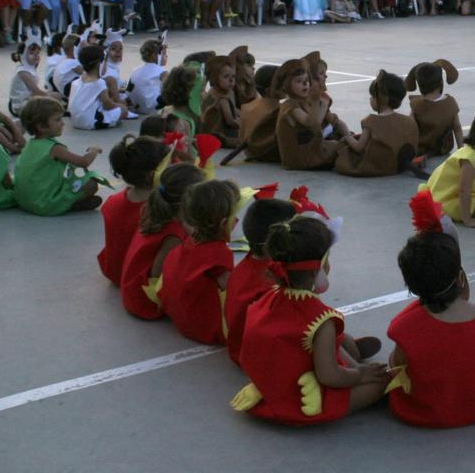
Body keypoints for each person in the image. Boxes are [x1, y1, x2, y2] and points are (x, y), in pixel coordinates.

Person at [232, 214, 388, 425]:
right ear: (319, 268)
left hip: (266, 391)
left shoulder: (267, 298)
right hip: (300, 402)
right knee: (384, 382)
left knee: (331, 343)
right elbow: (328, 376)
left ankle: (352, 358)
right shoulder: (320, 319)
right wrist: (359, 376)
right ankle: (356, 364)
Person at [386, 192, 475, 428]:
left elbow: (397, 369)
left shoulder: (404, 327)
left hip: (427, 413)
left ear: (411, 286)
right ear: (460, 278)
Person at [119, 163, 202, 320]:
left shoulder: (156, 210)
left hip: (132, 289)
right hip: (144, 301)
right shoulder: (173, 235)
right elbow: (157, 274)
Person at [161, 179, 238, 345]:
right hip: (203, 327)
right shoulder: (219, 253)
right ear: (224, 223)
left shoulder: (191, 241)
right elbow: (235, 291)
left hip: (180, 316)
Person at [225, 196, 297, 366]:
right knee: (320, 325)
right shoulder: (274, 279)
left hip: (239, 347)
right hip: (260, 356)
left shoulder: (245, 264)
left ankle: (340, 344)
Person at [14, 96, 103, 215]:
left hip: (23, 201)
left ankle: (66, 201)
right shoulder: (55, 148)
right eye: (57, 120)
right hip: (44, 204)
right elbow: (83, 162)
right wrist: (94, 150)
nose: (62, 123)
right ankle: (68, 205)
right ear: (41, 126)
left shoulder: (30, 144)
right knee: (91, 184)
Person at [97, 135, 167, 286]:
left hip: (113, 271)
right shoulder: (159, 211)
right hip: (137, 278)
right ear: (152, 174)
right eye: (168, 164)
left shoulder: (112, 201)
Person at [335, 70, 420, 177]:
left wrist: (346, 134)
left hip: (379, 167)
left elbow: (358, 147)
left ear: (381, 98)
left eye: (372, 96)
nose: (370, 99)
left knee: (343, 151)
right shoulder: (407, 120)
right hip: (397, 166)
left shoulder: (371, 121)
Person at [275, 58, 340, 170]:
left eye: (306, 80)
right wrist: (318, 103)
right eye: (299, 81)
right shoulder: (290, 106)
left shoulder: (300, 101)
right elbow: (313, 125)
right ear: (287, 85)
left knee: (341, 143)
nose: (305, 84)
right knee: (342, 148)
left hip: (308, 149)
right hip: (300, 157)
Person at [406, 59, 461, 158]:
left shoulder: (416, 104)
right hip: (443, 149)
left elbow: (410, 128)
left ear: (419, 85)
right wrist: (461, 150)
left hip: (421, 150)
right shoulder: (450, 103)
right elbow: (457, 128)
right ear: (441, 82)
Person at [68, 44, 127, 130]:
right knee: (123, 110)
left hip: (75, 121)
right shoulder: (99, 83)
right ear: (99, 64)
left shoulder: (78, 80)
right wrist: (120, 105)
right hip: (90, 122)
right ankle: (110, 121)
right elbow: (108, 105)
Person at [240, 65, 281, 163]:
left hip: (250, 152)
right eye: (281, 83)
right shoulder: (276, 109)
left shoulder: (250, 105)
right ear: (268, 90)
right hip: (265, 154)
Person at [200, 56, 242, 148]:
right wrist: (243, 124)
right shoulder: (222, 99)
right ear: (215, 78)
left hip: (208, 131)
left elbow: (233, 109)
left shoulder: (215, 90)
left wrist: (245, 114)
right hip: (218, 133)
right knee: (245, 135)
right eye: (226, 77)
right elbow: (230, 120)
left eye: (233, 77)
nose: (231, 80)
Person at [129, 38, 167, 115]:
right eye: (164, 54)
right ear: (154, 55)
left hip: (137, 108)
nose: (166, 57)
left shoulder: (135, 70)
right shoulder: (162, 72)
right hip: (153, 108)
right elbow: (171, 89)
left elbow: (128, 90)